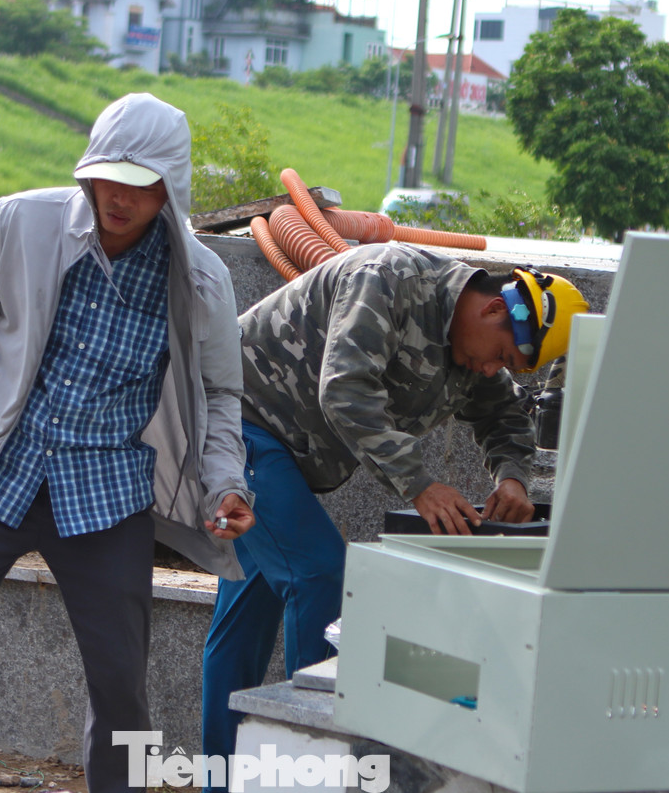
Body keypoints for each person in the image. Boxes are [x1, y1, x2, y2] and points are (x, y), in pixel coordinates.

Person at [0, 93, 255, 793]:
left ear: (169, 189)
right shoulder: (23, 221)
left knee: (119, 681)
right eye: (107, 178)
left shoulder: (198, 279)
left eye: (138, 185)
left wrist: (226, 482)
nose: (118, 198)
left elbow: (222, 392)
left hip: (106, 493)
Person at [200, 243, 587, 779]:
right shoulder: (387, 278)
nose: (494, 368)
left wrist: (514, 478)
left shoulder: (472, 343)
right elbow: (345, 389)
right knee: (319, 576)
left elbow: (503, 417)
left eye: (509, 365)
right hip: (235, 426)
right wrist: (420, 485)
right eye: (501, 354)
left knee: (247, 617)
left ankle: (220, 780)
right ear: (495, 308)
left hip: (276, 447)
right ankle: (321, 773)